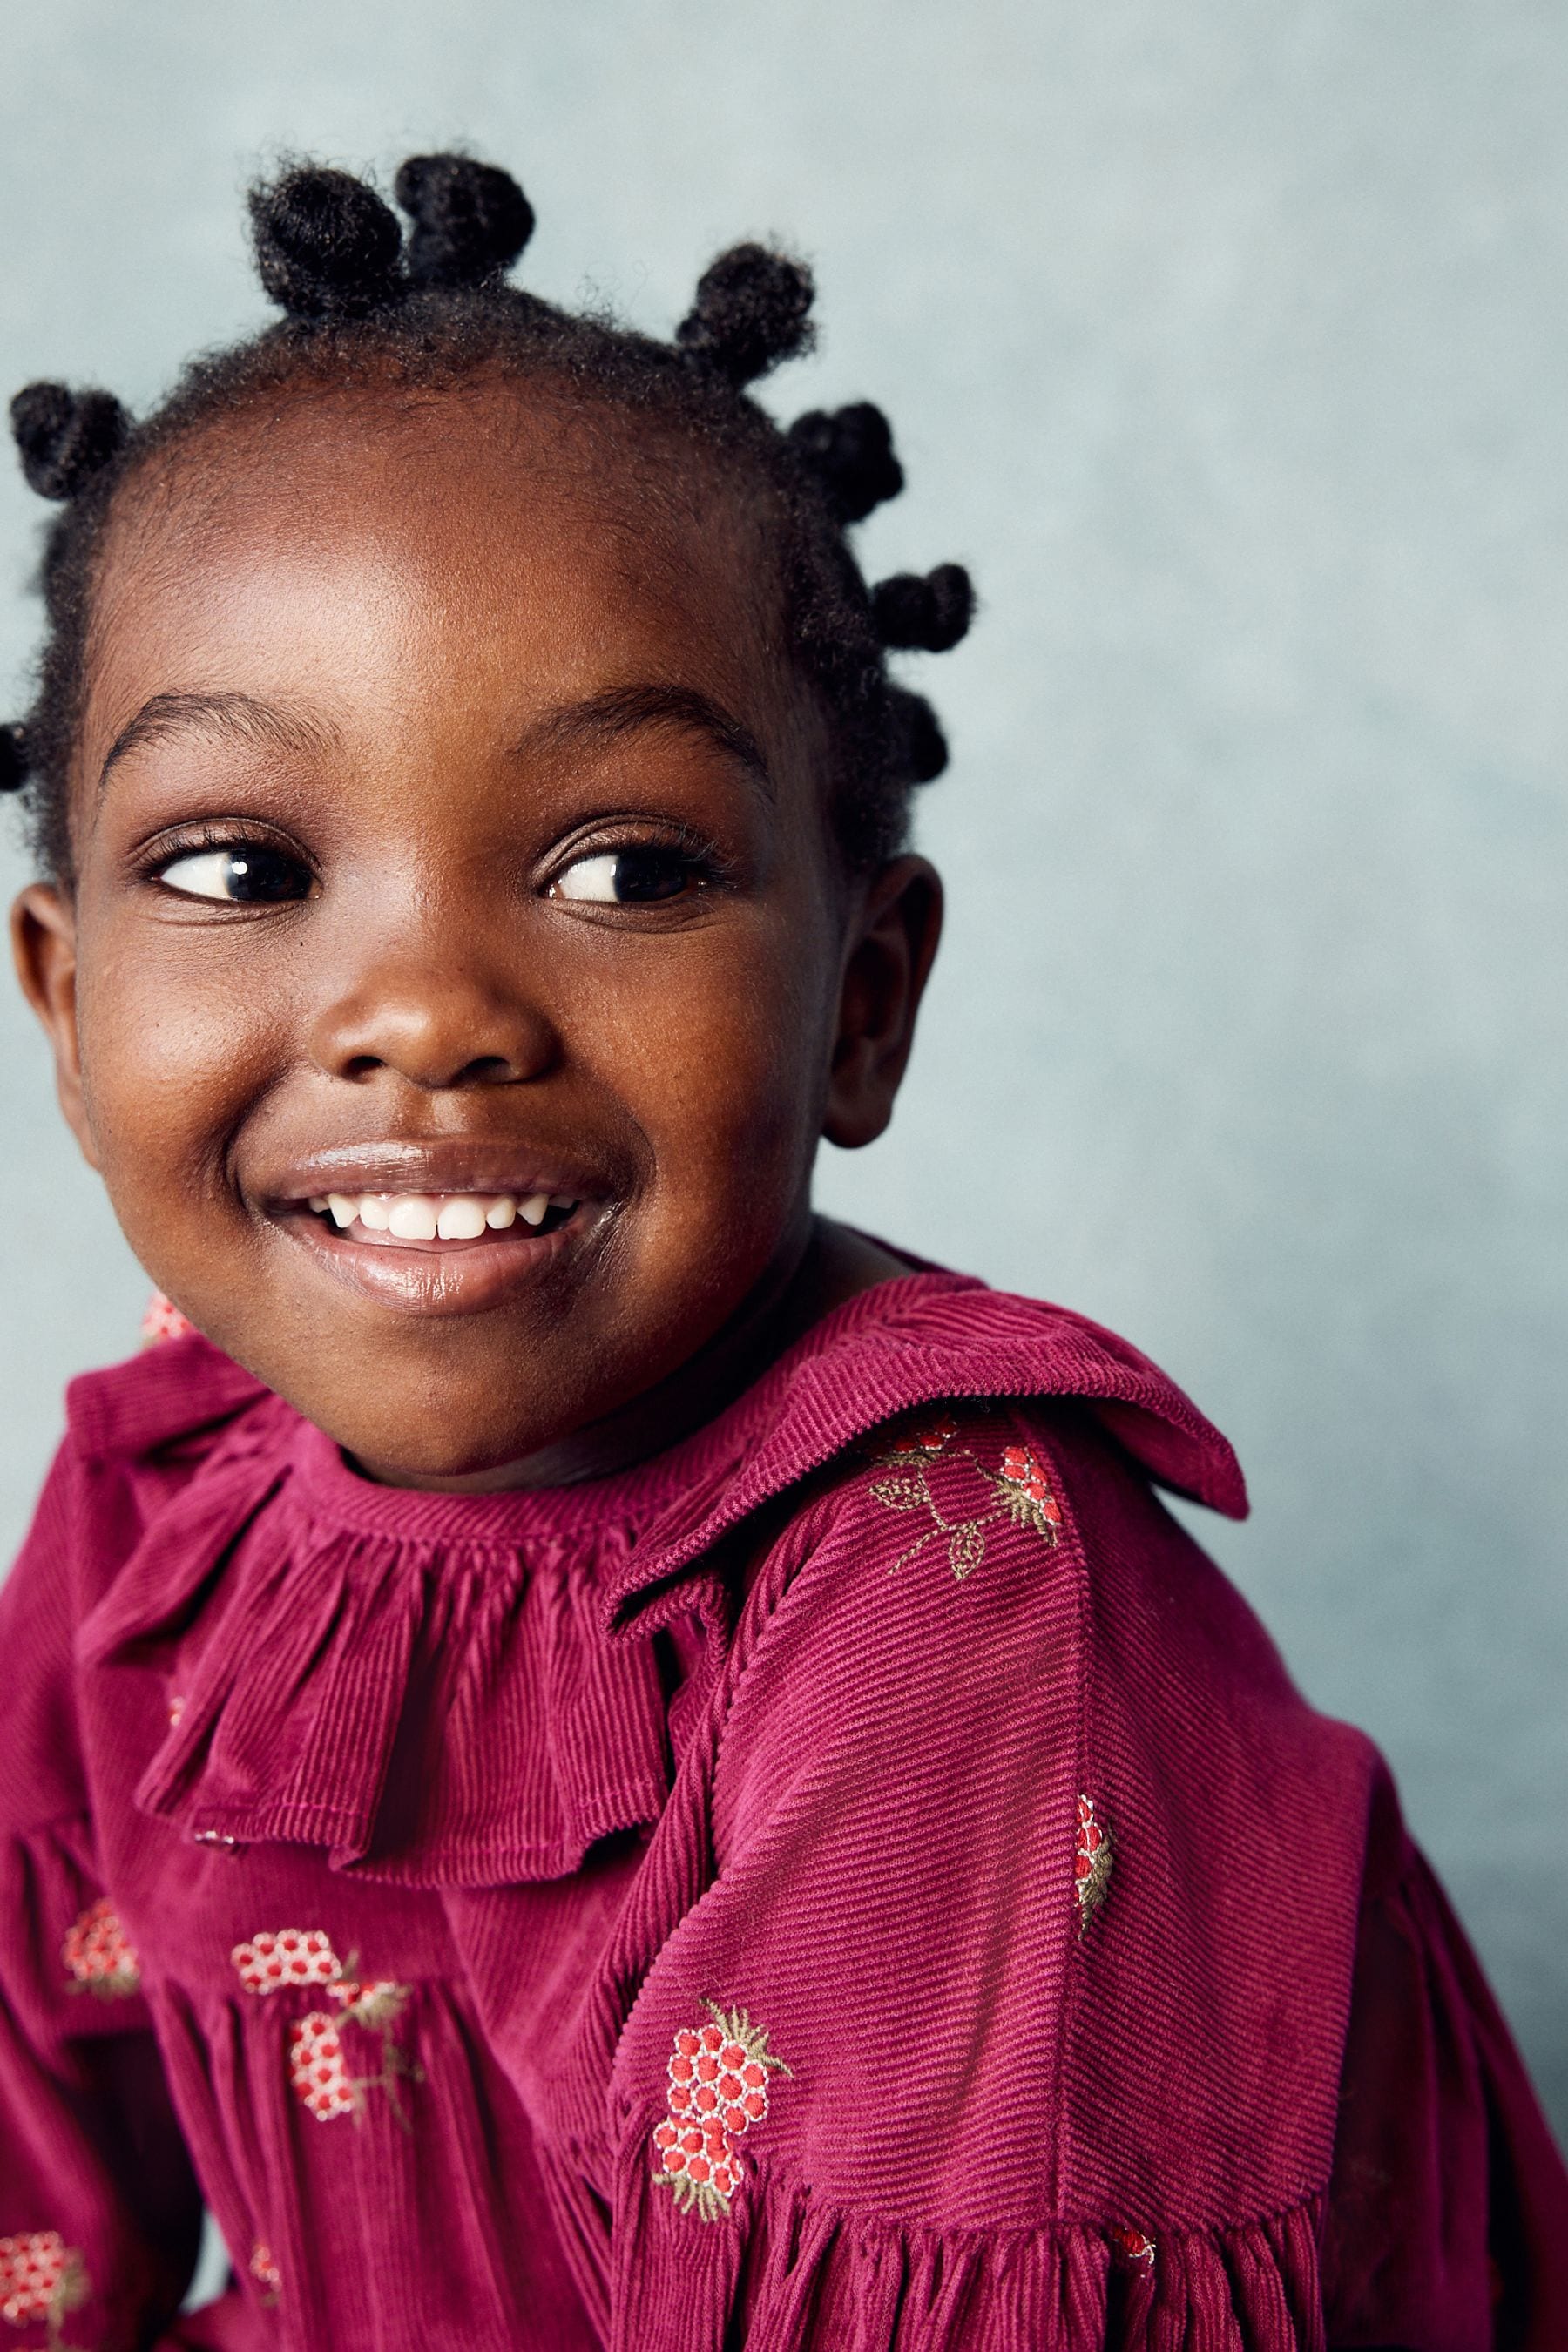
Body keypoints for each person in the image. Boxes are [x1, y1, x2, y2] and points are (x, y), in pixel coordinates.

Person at [0, 152, 1560, 2352]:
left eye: (625, 870)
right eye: (244, 865)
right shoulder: (172, 1485)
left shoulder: (965, 1607)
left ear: (862, 1001)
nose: (425, 1012)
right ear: (65, 1008)